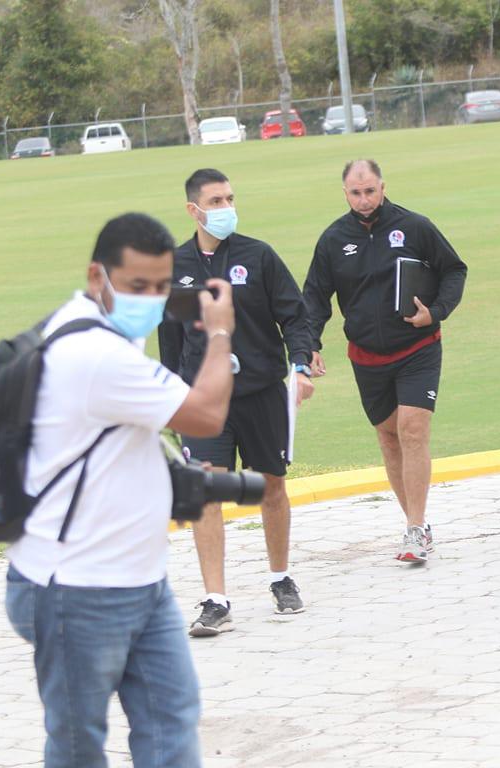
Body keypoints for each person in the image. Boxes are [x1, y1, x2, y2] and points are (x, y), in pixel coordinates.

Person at [4, 213, 236, 767]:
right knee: (80, 745)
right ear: (96, 277)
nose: (150, 300)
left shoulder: (95, 327)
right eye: (136, 286)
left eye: (160, 286)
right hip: (77, 588)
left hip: (138, 578)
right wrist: (222, 331)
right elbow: (204, 414)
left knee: (171, 723)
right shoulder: (95, 354)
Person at [159, 168, 315, 637]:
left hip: (261, 391)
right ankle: (215, 599)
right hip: (203, 400)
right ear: (194, 210)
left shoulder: (258, 255)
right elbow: (169, 337)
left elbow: (294, 316)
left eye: (229, 198)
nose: (226, 207)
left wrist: (302, 365)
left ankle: (280, 577)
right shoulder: (174, 266)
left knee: (272, 487)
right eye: (216, 200)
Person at [303, 159, 467, 564]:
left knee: (412, 430)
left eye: (371, 191)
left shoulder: (414, 226)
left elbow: (454, 271)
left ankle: (415, 529)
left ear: (382, 187)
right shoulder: (332, 240)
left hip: (418, 346)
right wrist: (309, 344)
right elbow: (314, 299)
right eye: (356, 193)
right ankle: (417, 522)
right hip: (366, 356)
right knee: (389, 437)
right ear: (345, 193)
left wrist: (437, 310)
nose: (364, 200)